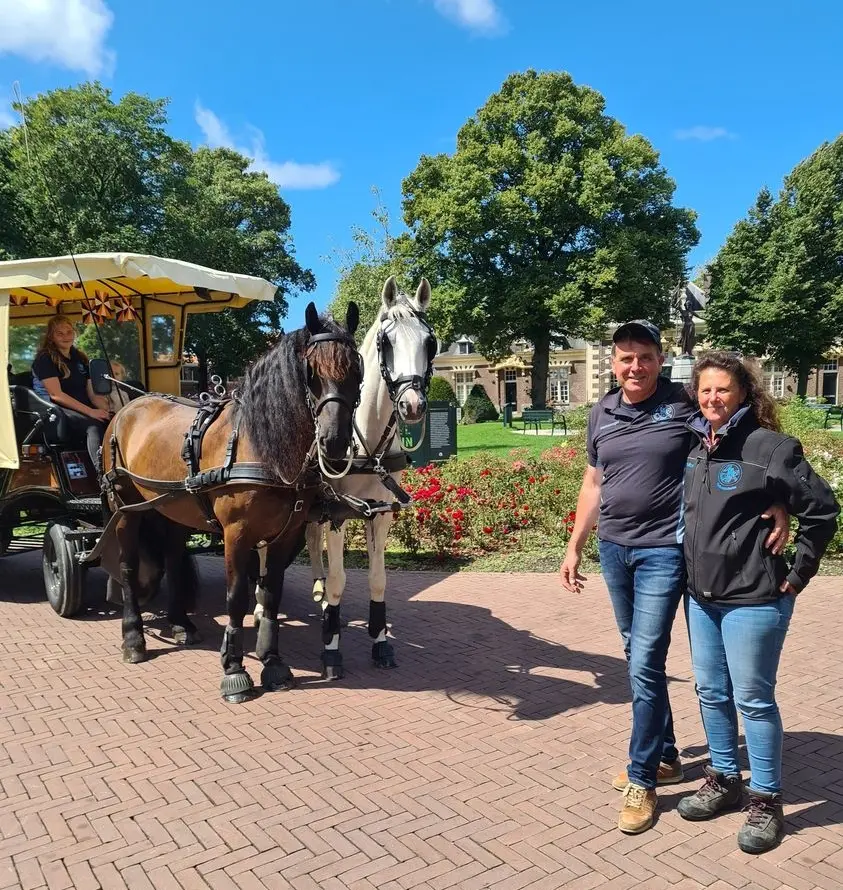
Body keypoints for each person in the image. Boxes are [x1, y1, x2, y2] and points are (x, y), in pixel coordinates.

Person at [559, 320, 788, 836]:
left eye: (644, 357)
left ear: (659, 361)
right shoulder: (602, 412)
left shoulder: (683, 405)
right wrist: (575, 544)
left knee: (644, 660)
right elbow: (594, 479)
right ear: (613, 362)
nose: (634, 366)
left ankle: (642, 778)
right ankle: (665, 756)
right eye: (624, 358)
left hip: (665, 551)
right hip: (614, 549)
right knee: (633, 653)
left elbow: (731, 442)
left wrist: (777, 499)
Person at [677, 352, 839, 854]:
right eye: (705, 390)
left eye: (723, 389)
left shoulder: (769, 447)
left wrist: (797, 574)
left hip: (753, 599)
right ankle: (725, 779)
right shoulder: (695, 442)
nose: (712, 398)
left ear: (745, 392)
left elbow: (823, 509)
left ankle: (766, 799)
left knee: (752, 699)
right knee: (710, 692)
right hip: (701, 597)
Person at [31, 315, 111, 471]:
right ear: (51, 336)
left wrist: (107, 411)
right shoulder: (45, 359)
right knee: (93, 427)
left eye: (69, 332)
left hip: (81, 408)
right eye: (59, 333)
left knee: (114, 421)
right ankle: (104, 476)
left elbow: (92, 394)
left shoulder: (80, 358)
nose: (66, 336)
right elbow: (56, 395)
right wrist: (91, 413)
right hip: (54, 410)